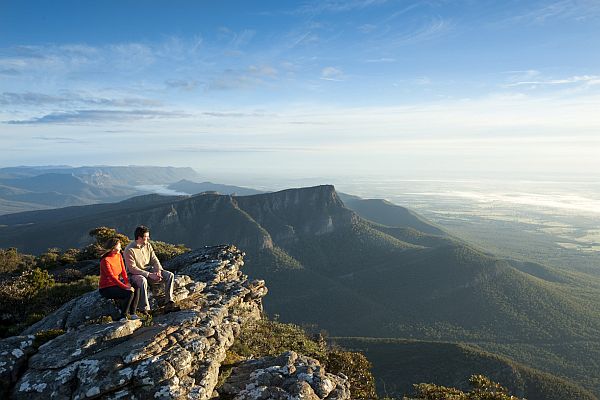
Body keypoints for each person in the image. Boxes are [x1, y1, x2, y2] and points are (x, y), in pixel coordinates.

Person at [124, 225, 177, 315]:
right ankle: (144, 309)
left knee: (170, 275)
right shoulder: (129, 250)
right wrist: (149, 274)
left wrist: (159, 271)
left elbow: (154, 259)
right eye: (146, 237)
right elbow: (132, 269)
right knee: (142, 280)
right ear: (139, 238)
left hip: (149, 270)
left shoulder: (148, 245)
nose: (148, 239)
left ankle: (169, 303)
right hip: (134, 274)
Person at [98, 238, 140, 321]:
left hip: (116, 284)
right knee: (129, 293)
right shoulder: (105, 260)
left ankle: (133, 314)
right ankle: (123, 316)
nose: (121, 248)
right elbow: (112, 277)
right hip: (106, 288)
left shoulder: (119, 255)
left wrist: (127, 283)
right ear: (113, 248)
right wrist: (126, 287)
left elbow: (123, 271)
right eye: (119, 246)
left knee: (136, 287)